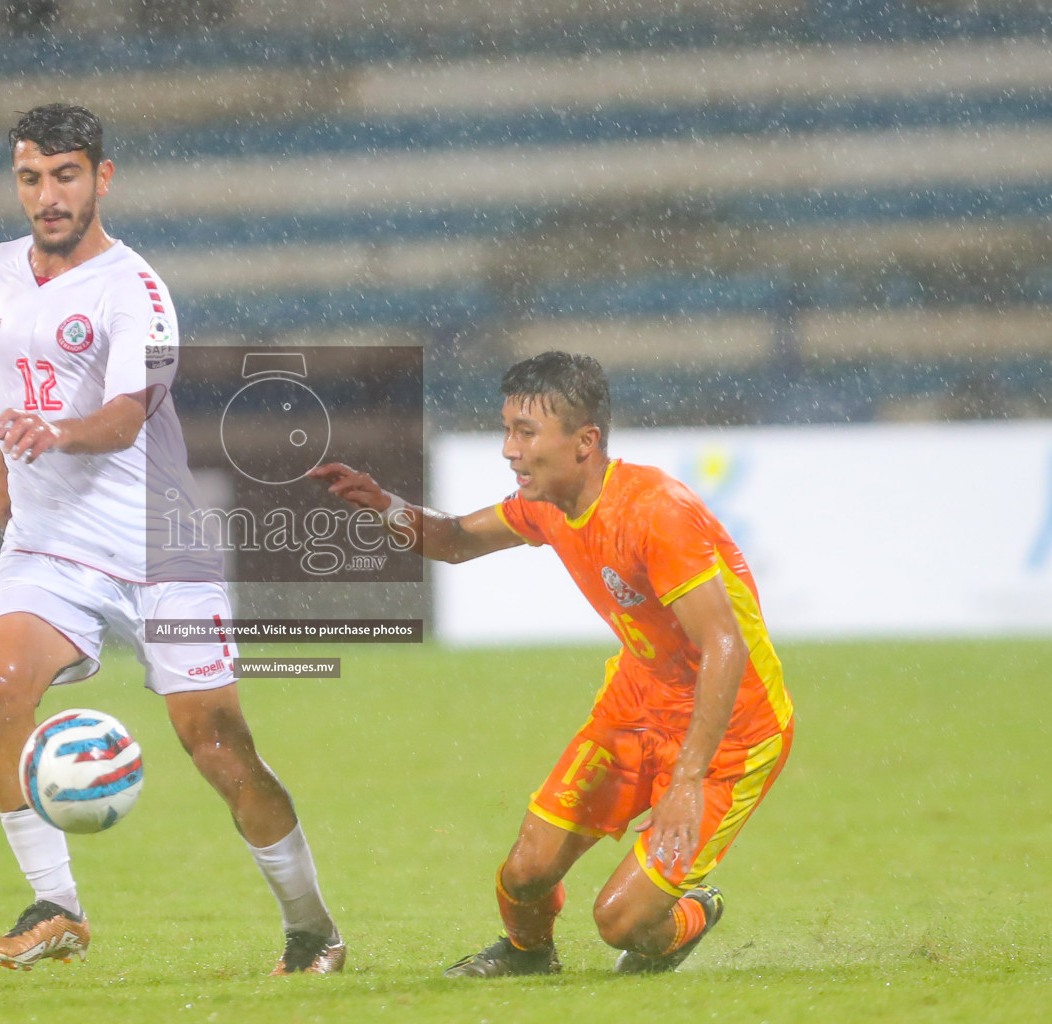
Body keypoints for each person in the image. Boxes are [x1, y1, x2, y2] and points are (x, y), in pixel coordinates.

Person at [0, 104, 344, 976]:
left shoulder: (137, 290)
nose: (48, 195)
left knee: (219, 750)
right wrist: (6, 462)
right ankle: (56, 907)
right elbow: (4, 382)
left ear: (102, 178)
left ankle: (311, 926)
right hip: (50, 543)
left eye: (66, 175)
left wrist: (52, 435)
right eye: (31, 178)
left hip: (158, 549)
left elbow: (124, 415)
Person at [308, 351, 792, 976]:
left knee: (626, 925)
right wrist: (382, 505)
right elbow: (454, 540)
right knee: (524, 874)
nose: (509, 449)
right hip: (637, 709)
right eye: (506, 429)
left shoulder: (655, 511)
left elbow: (726, 645)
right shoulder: (546, 504)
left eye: (526, 432)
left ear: (585, 441)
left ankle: (692, 913)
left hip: (731, 736)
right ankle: (529, 955)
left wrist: (686, 780)